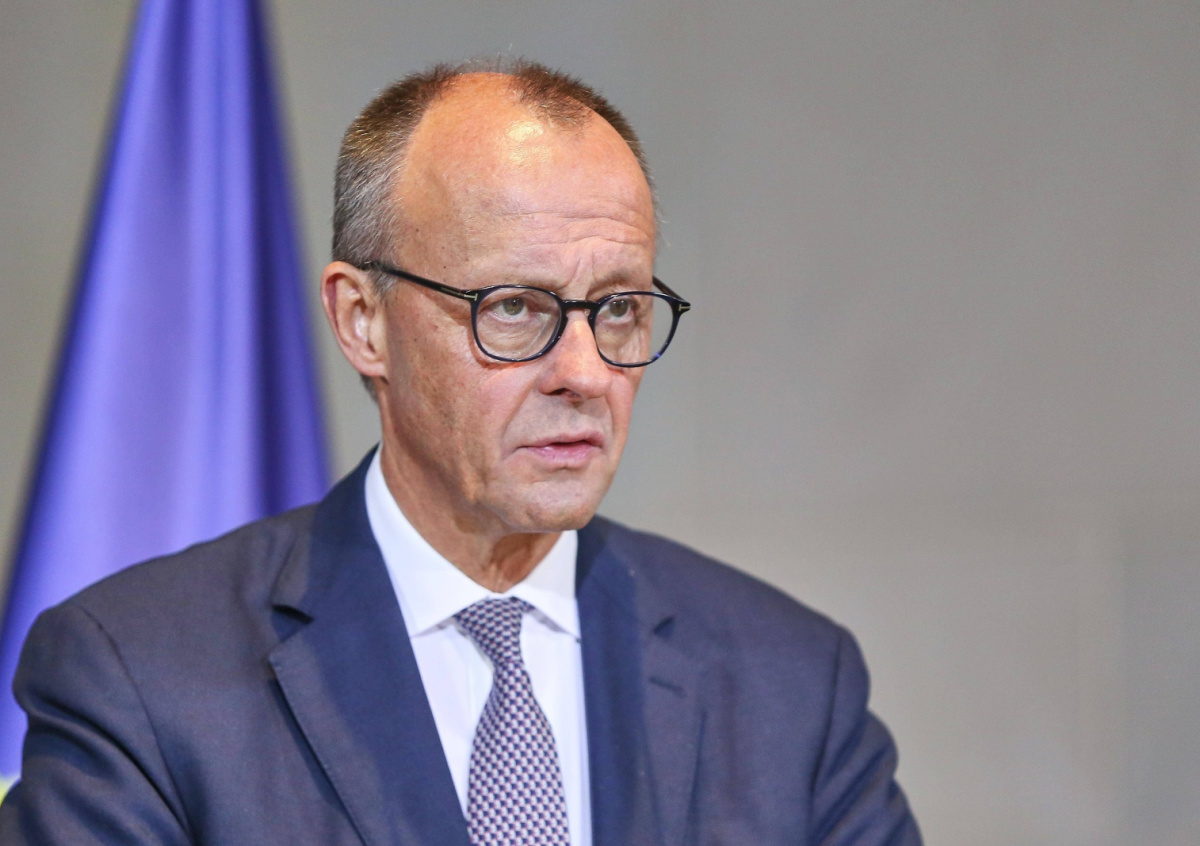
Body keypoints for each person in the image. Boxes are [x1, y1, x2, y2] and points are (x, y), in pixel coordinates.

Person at [0, 60, 921, 845]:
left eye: (618, 309)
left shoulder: (791, 684)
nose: (585, 372)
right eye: (513, 307)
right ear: (362, 321)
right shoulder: (140, 677)